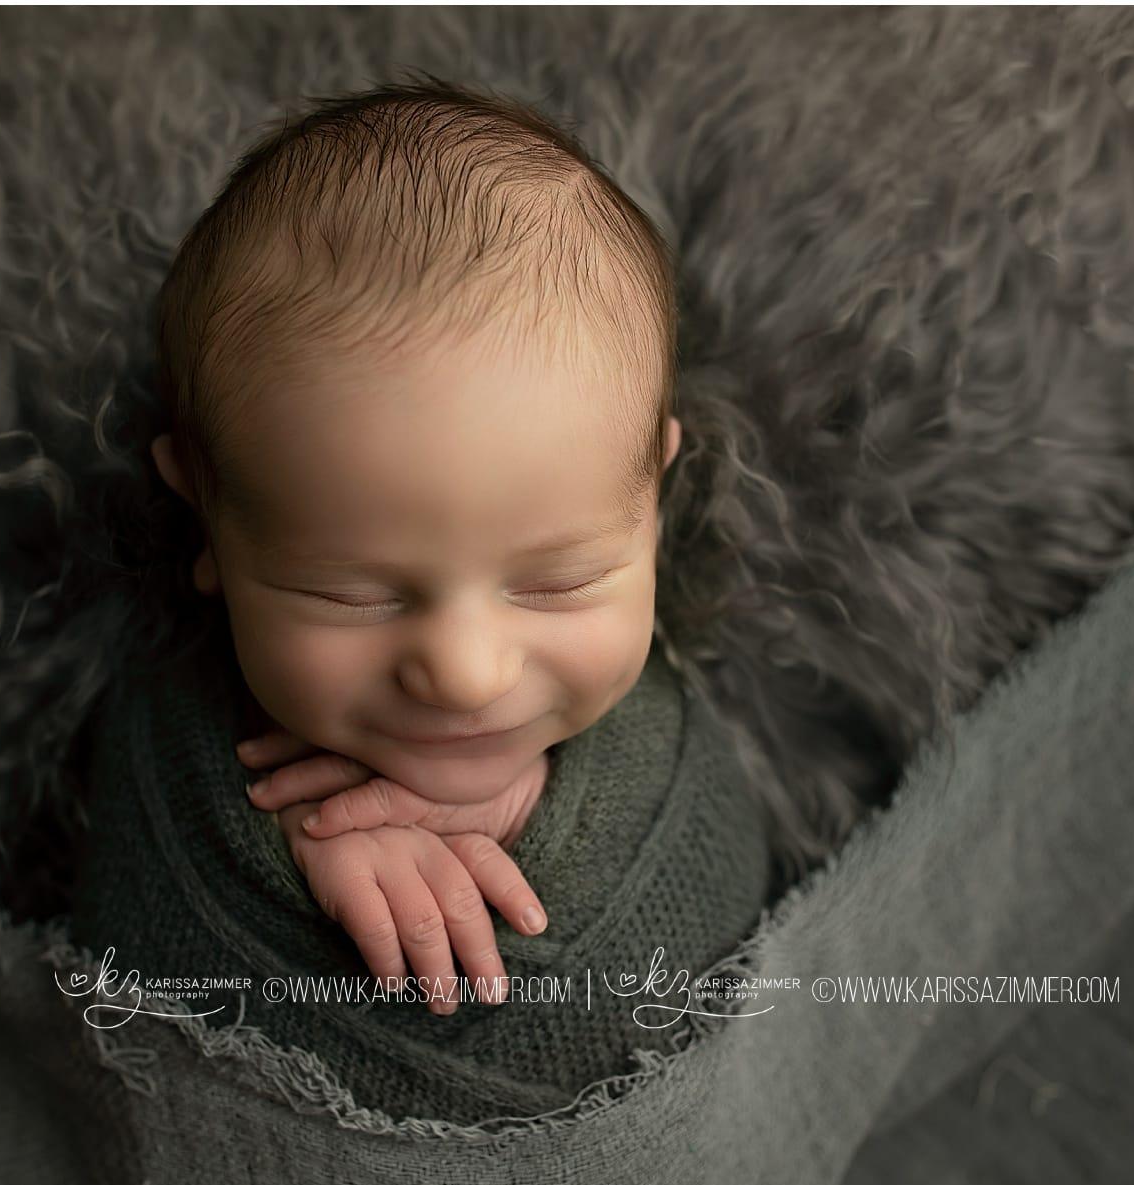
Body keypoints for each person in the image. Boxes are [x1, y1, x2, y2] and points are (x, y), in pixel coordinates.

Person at [69, 74, 774, 1125]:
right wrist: (283, 858)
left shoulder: (664, 753)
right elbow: (120, 937)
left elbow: (723, 869)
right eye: (348, 593)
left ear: (653, 503)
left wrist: (522, 812)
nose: (464, 670)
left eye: (556, 581)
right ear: (208, 518)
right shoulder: (165, 735)